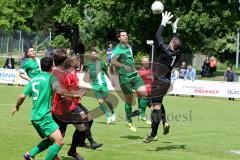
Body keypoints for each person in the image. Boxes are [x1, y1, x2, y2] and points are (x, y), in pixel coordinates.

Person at [52, 49, 102, 160]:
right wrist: (76, 94)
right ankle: (51, 154)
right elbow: (62, 93)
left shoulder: (66, 72)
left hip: (71, 106)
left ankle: (73, 150)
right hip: (62, 108)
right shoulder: (62, 74)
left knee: (85, 124)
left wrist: (82, 91)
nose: (78, 62)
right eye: (76, 61)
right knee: (60, 135)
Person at [11, 57, 64, 160]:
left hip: (35, 117)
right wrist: (75, 94)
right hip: (44, 117)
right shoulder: (51, 78)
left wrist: (16, 107)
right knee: (60, 141)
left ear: (41, 66)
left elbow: (22, 96)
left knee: (51, 139)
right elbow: (62, 92)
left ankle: (29, 154)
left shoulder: (34, 79)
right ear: (52, 67)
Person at [143, 11, 182, 143]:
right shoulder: (177, 52)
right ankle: (164, 123)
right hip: (165, 82)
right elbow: (176, 40)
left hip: (159, 82)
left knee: (155, 107)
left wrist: (163, 23)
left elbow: (158, 36)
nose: (169, 42)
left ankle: (153, 134)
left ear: (171, 44)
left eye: (170, 41)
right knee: (153, 104)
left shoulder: (166, 50)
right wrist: (174, 29)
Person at [111, 29, 147, 132]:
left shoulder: (129, 47)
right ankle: (129, 120)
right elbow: (113, 61)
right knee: (129, 101)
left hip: (134, 74)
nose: (125, 37)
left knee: (144, 92)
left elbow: (130, 60)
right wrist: (123, 66)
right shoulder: (117, 49)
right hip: (124, 77)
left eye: (126, 35)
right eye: (123, 36)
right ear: (119, 38)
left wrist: (133, 68)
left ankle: (142, 114)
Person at [85, 50, 116, 124]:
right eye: (92, 54)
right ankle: (107, 116)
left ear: (97, 55)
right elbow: (88, 76)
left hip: (103, 85)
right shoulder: (88, 65)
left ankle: (113, 112)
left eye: (95, 54)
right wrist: (90, 83)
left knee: (107, 100)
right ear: (90, 56)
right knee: (100, 101)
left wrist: (111, 80)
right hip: (95, 86)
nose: (94, 55)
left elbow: (107, 72)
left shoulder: (101, 63)